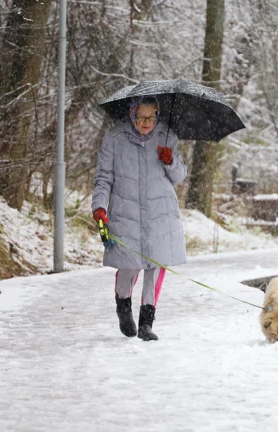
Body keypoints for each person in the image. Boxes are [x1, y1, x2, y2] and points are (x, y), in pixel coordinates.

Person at [92, 96, 187, 341]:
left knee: (155, 265)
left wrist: (170, 161)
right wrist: (100, 206)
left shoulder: (167, 136)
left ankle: (147, 322)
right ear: (132, 114)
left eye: (151, 117)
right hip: (127, 212)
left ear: (157, 114)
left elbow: (179, 176)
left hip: (160, 213)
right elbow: (104, 177)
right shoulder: (115, 139)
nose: (147, 123)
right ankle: (123, 304)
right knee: (129, 264)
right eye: (141, 117)